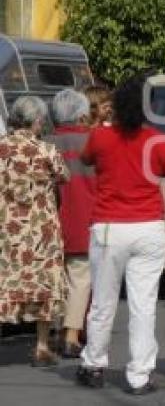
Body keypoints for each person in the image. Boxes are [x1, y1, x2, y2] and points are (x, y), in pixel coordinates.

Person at [76, 74, 165, 396]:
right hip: (148, 226)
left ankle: (94, 364)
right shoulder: (159, 141)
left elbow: (86, 161)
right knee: (143, 304)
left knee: (103, 301)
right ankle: (139, 374)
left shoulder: (99, 137)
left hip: (110, 226)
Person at [0, 96, 69, 367]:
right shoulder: (46, 151)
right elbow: (65, 176)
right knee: (43, 284)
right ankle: (41, 347)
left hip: (5, 228)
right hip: (41, 231)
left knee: (4, 280)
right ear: (37, 120)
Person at [47, 89, 97, 359]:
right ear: (81, 114)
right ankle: (71, 335)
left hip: (48, 225)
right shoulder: (92, 141)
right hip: (84, 221)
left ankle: (54, 331)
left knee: (57, 279)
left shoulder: (44, 142)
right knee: (80, 279)